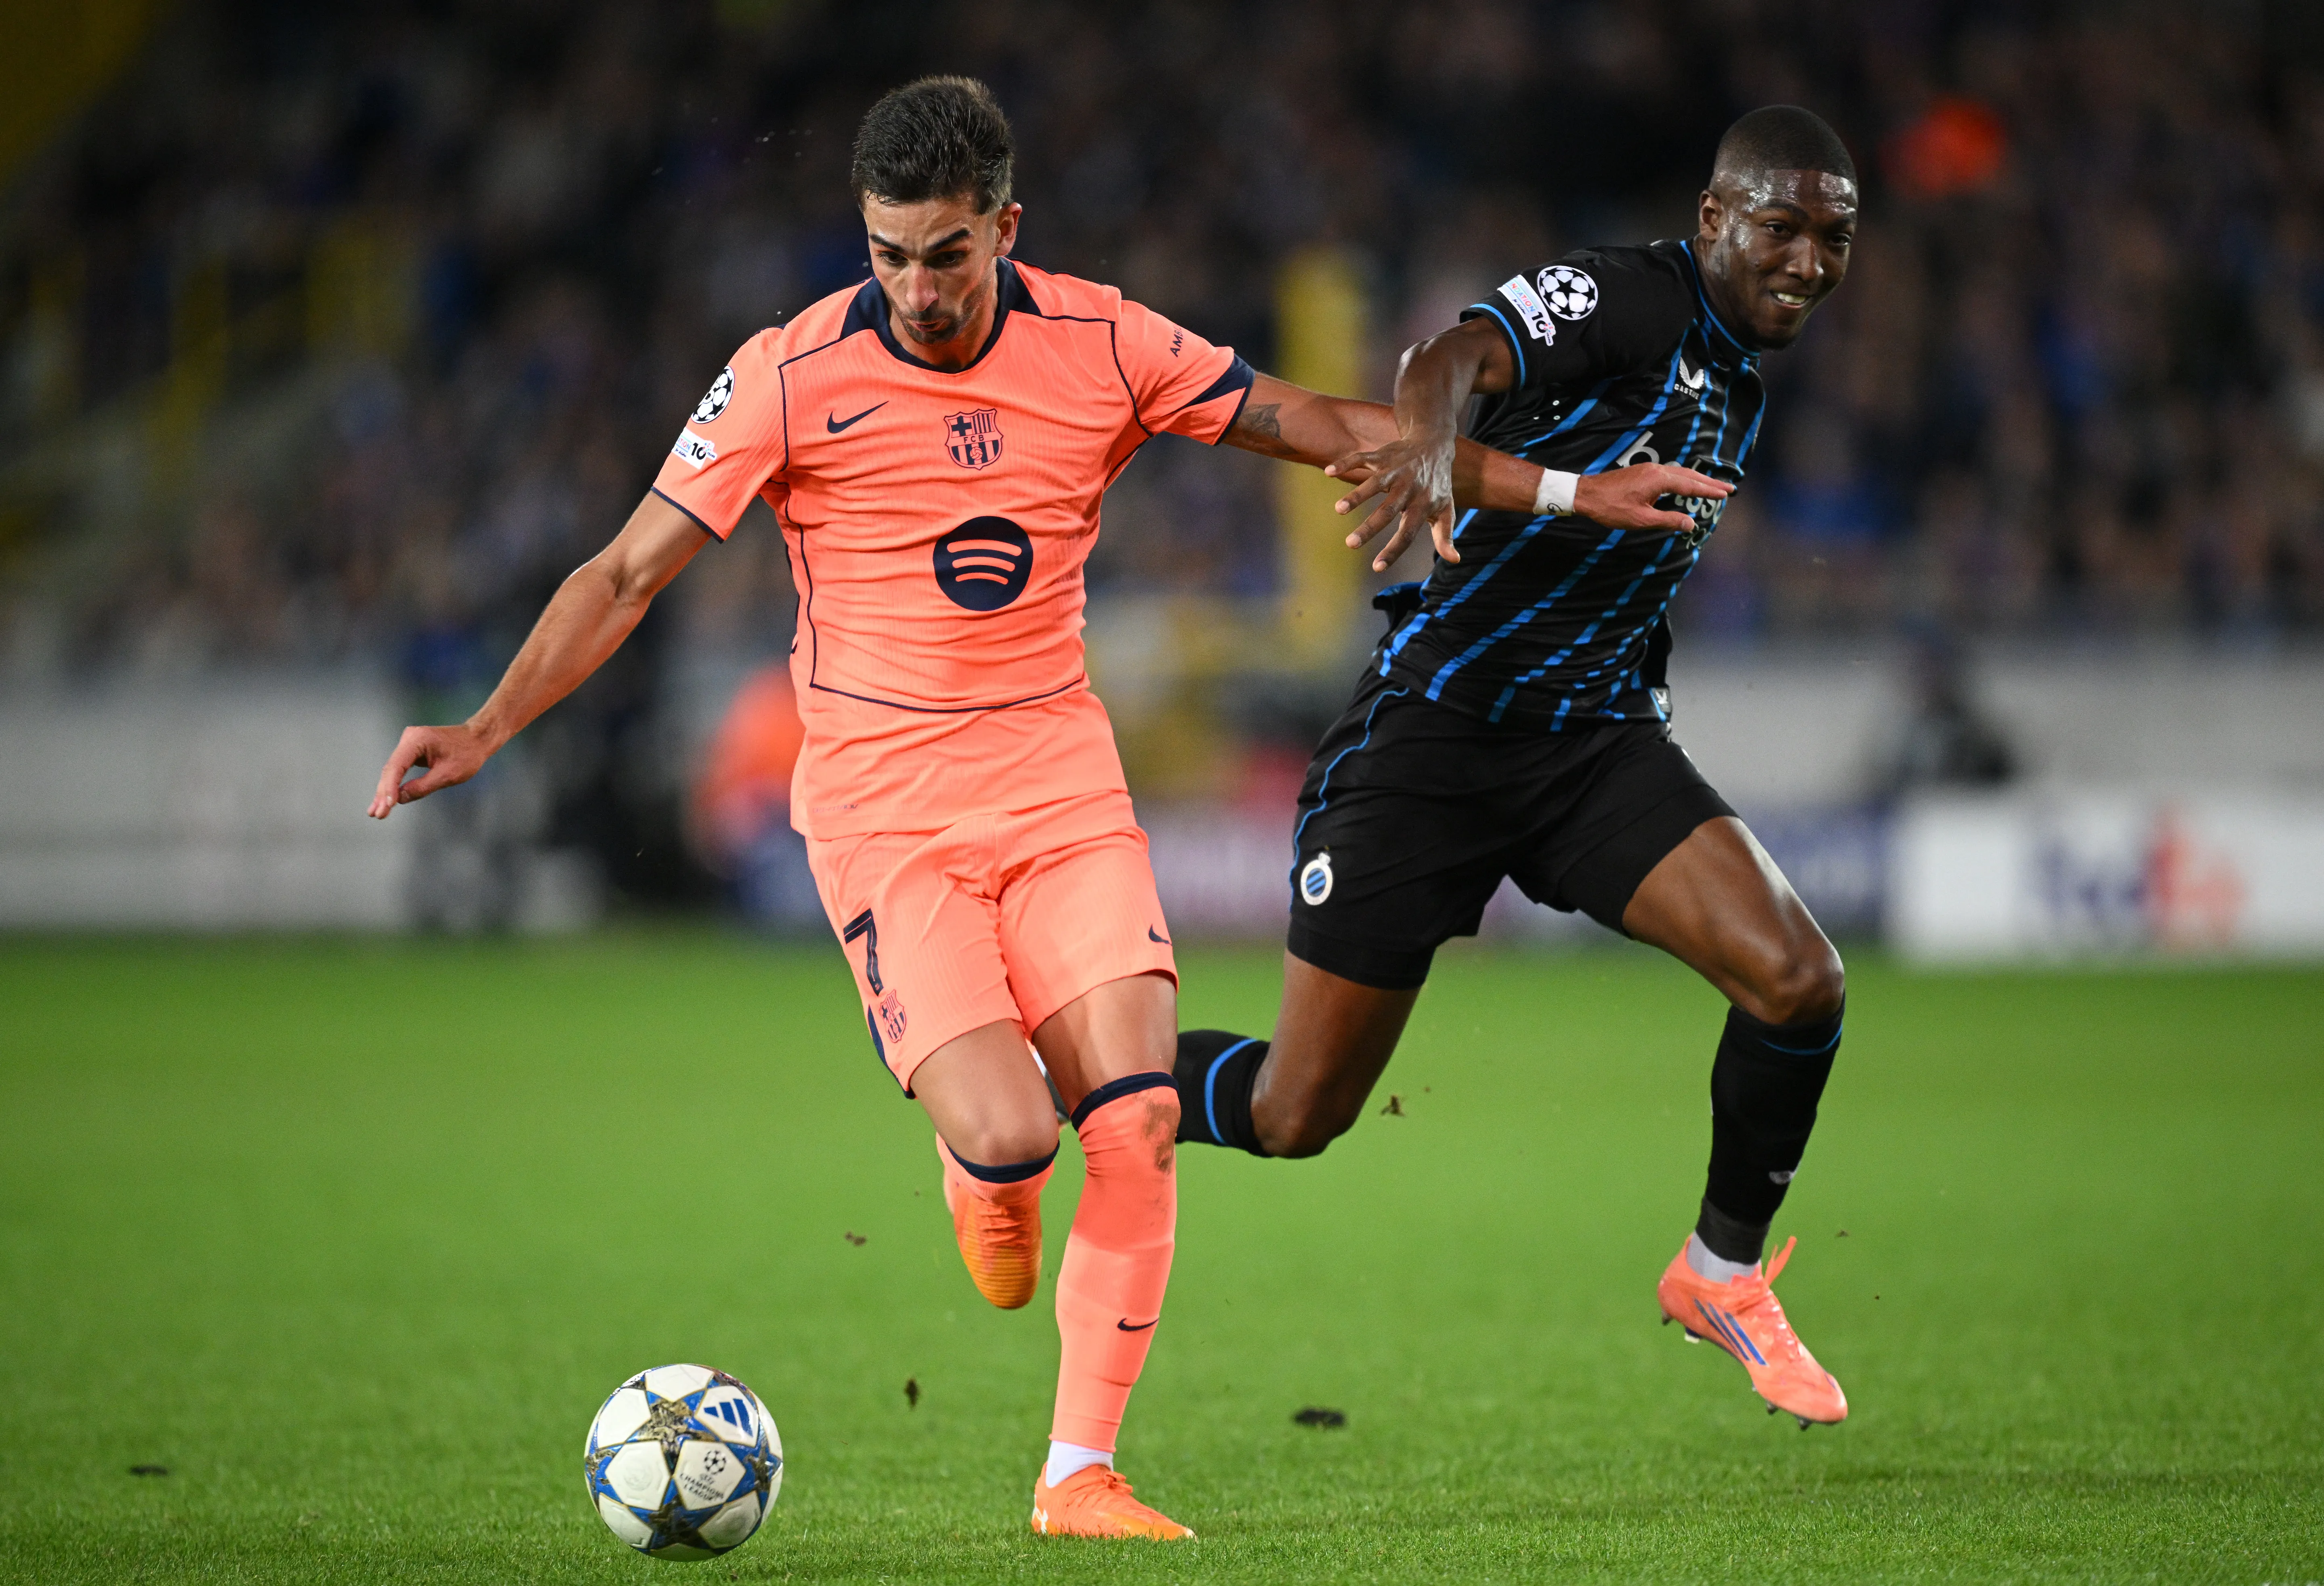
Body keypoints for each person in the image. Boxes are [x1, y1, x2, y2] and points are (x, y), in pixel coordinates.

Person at [364, 76, 1643, 1539]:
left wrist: (1555, 490)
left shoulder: (1102, 338)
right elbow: (624, 572)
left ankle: (1077, 1476)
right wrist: (486, 725)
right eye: (889, 253)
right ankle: (983, 1156)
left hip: (1056, 778)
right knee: (1017, 1134)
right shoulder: (787, 374)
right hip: (884, 812)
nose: (916, 286)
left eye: (948, 253)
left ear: (1006, 228)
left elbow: (1325, 423)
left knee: (1143, 1114)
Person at [1171, 106, 1861, 1428]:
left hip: (1592, 744)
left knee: (1798, 980)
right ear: (1717, 218)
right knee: (1294, 1109)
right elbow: (1449, 357)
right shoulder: (1626, 296)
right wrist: (1432, 452)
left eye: (1836, 238)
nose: (1811, 261)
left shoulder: (1742, 368)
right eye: (1783, 227)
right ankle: (1072, 1078)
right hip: (1431, 738)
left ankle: (1719, 1272)